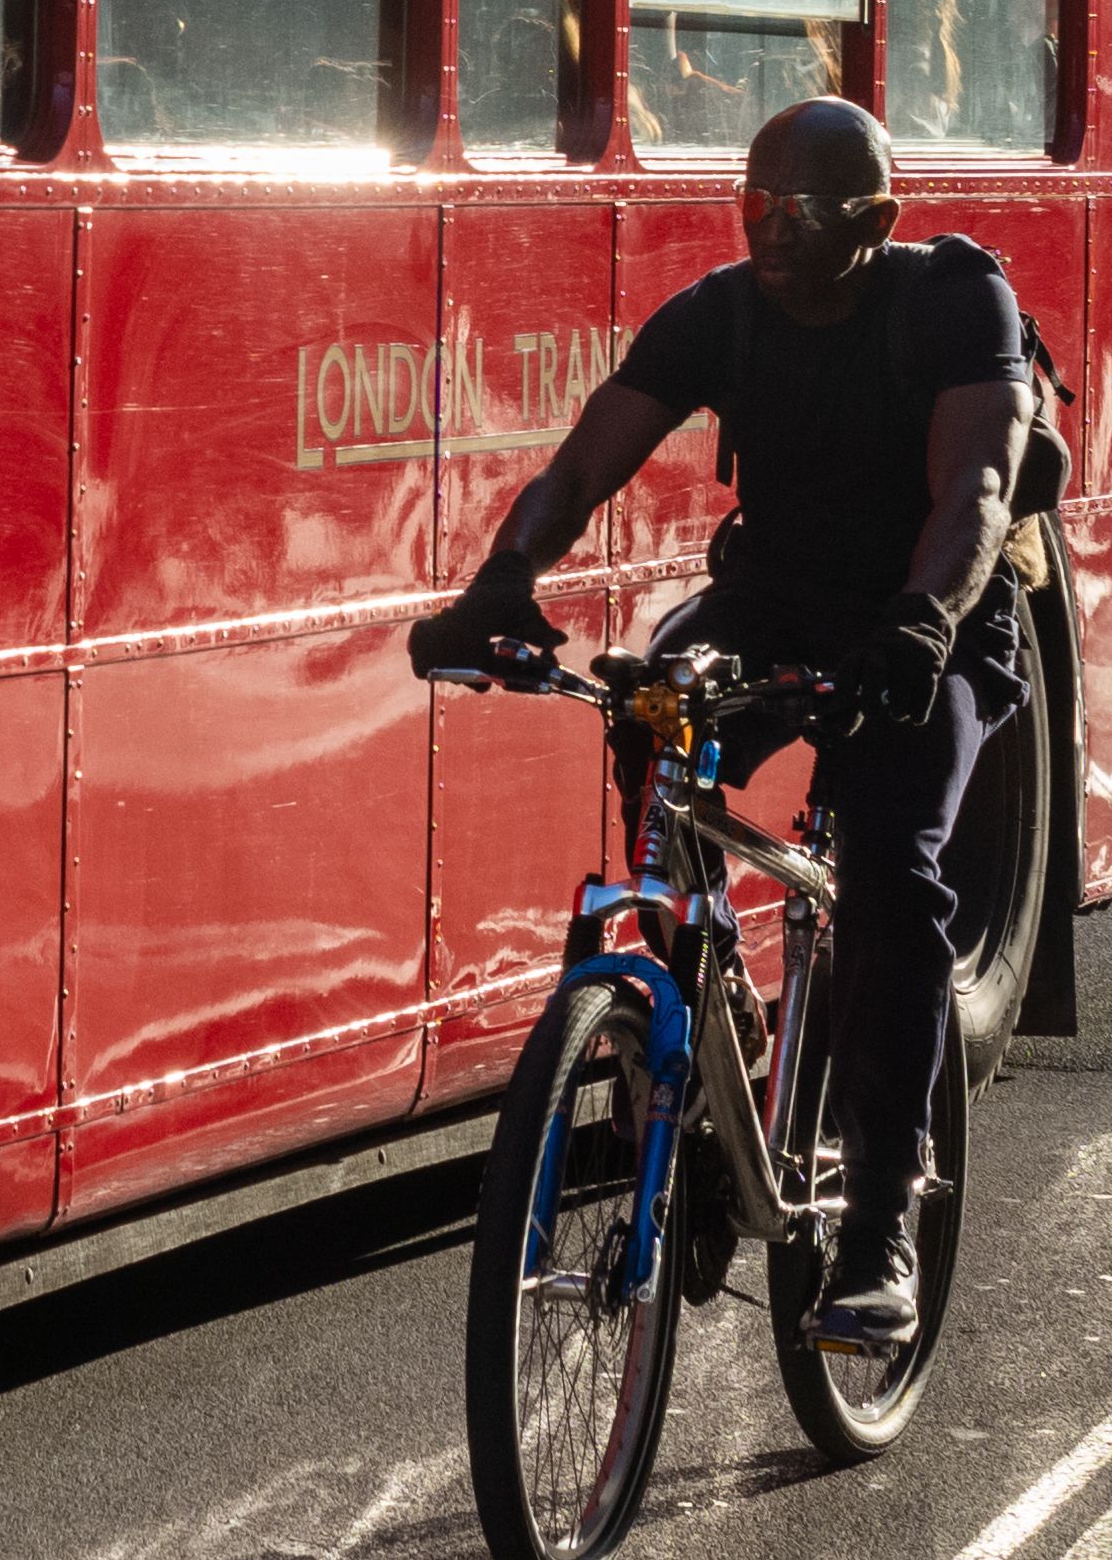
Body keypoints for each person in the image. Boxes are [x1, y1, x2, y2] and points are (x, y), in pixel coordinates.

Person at [408, 96, 1034, 1357]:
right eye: (753, 204)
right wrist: (501, 579)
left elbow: (975, 488)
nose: (771, 230)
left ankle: (878, 1225)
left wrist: (917, 629)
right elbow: (585, 465)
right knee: (648, 711)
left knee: (893, 876)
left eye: (798, 211)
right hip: (779, 602)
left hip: (934, 618)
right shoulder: (721, 314)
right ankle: (714, 1062)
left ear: (876, 222)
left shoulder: (954, 303)